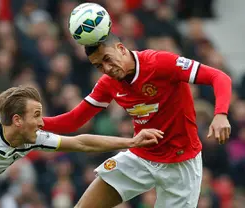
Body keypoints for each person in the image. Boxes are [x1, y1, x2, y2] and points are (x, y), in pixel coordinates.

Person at [42, 33, 232, 208]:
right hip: (140, 157)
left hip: (181, 163)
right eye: (99, 66)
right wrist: (37, 123)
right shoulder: (108, 83)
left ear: (121, 48)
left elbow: (219, 77)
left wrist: (220, 114)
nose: (106, 68)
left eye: (107, 59)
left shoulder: (160, 63)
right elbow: (74, 120)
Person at [0, 86, 163, 208]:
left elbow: (80, 142)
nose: (41, 121)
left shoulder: (31, 138)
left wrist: (130, 141)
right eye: (36, 115)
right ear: (17, 119)